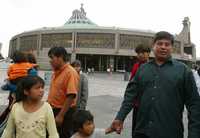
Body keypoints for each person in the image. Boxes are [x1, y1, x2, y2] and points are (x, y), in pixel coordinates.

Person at [106, 31, 200, 138]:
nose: (163, 47)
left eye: (167, 44)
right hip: (142, 132)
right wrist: (120, 117)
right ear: (153, 47)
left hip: (170, 132)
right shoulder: (142, 70)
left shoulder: (183, 71)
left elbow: (194, 105)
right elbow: (130, 97)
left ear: (172, 48)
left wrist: (194, 133)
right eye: (159, 44)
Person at [47, 46, 79, 138]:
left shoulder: (70, 72)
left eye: (52, 58)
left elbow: (71, 95)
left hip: (64, 112)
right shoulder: (56, 72)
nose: (50, 61)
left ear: (60, 57)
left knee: (62, 135)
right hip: (53, 110)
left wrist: (61, 115)